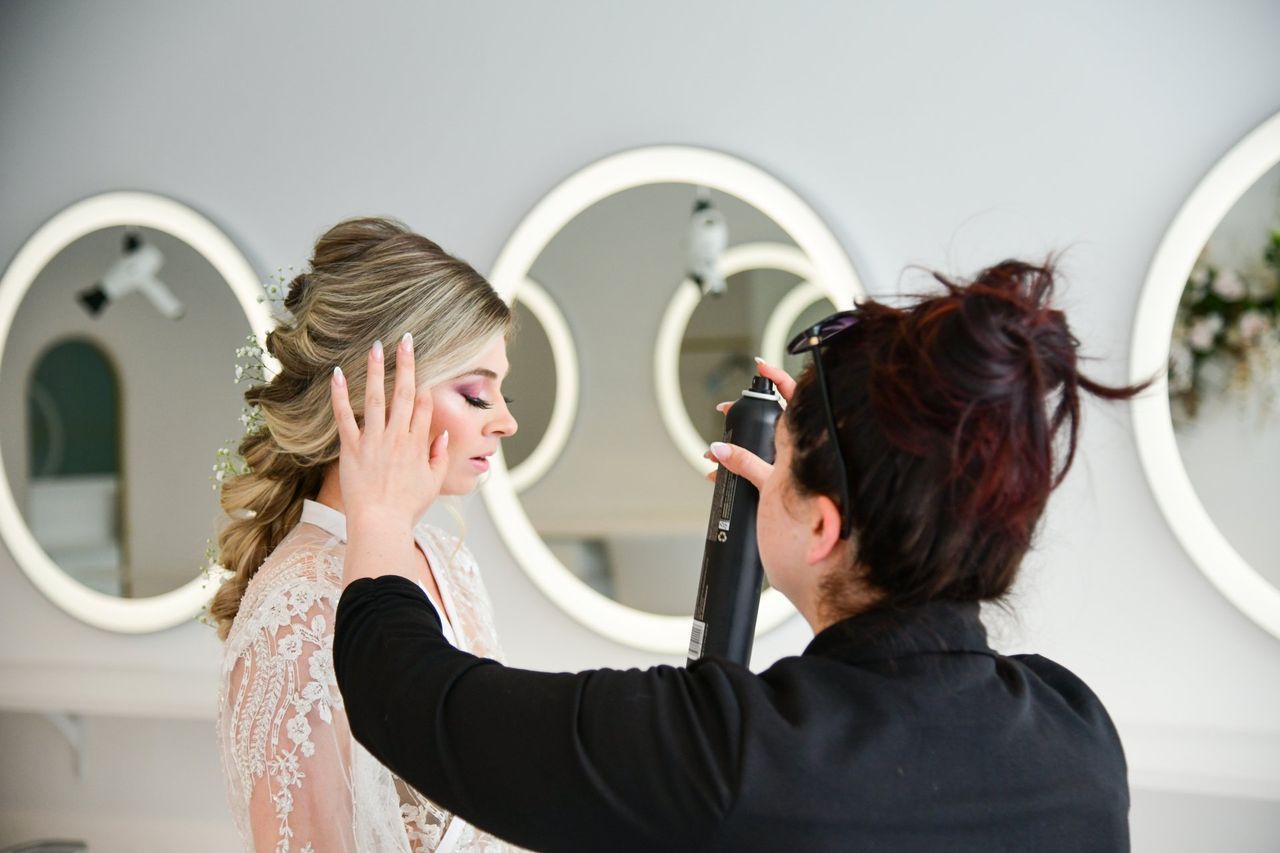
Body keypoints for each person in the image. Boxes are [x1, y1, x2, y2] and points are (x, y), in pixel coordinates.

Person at [328, 260, 1142, 852]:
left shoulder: (730, 756)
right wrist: (824, 462)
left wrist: (379, 510)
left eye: (781, 457)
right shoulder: (1079, 739)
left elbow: (404, 692)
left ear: (824, 527)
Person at [213, 217, 520, 852]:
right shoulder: (295, 612)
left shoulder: (446, 560)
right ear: (373, 394)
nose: (508, 422)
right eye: (475, 394)